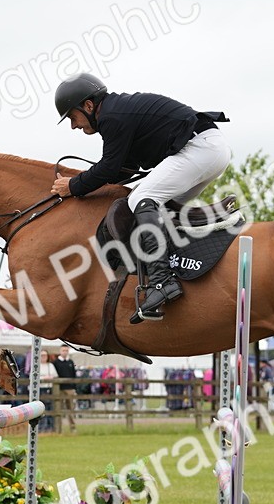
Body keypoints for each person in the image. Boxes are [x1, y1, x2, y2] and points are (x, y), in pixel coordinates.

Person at [51, 72, 232, 324]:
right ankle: (183, 262)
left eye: (72, 116)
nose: (73, 125)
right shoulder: (115, 112)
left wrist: (72, 185)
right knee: (162, 206)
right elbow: (124, 167)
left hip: (200, 148)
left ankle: (162, 281)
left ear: (89, 106)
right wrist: (87, 182)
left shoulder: (112, 117)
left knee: (142, 199)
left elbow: (109, 168)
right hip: (208, 148)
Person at [52, 345, 79, 434]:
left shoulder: (70, 362)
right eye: (63, 350)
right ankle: (58, 429)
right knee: (58, 408)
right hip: (59, 388)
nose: (65, 352)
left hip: (70, 388)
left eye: (66, 350)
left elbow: (73, 375)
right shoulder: (55, 362)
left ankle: (73, 427)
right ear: (60, 351)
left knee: (70, 409)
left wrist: (74, 388)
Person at [37, 349, 58, 432]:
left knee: (50, 408)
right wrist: (43, 378)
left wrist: (50, 378)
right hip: (40, 389)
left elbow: (55, 376)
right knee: (41, 409)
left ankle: (50, 428)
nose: (43, 357)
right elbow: (32, 378)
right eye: (42, 355)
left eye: (45, 355)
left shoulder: (50, 365)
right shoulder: (36, 366)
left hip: (49, 389)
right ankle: (41, 428)